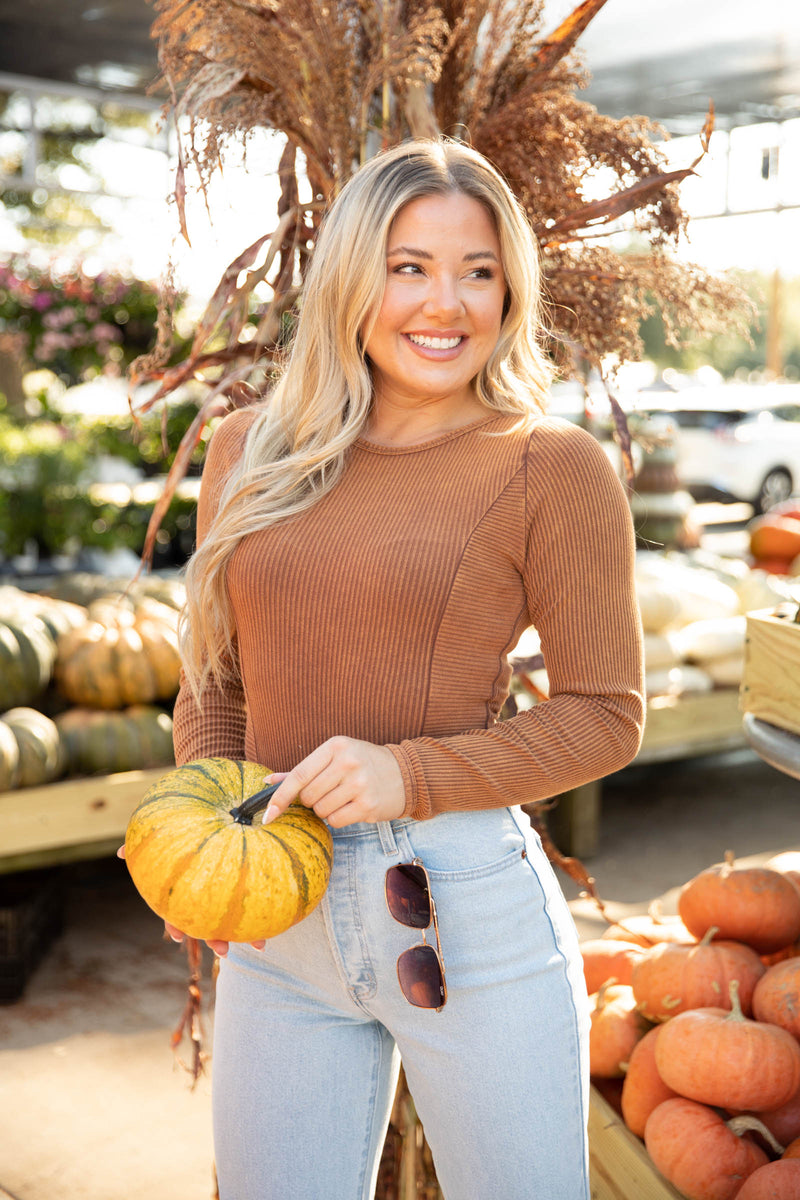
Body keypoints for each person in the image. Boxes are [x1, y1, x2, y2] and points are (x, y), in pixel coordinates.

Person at [169, 137, 644, 1200]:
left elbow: (604, 717)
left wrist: (406, 774)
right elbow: (213, 680)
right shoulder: (251, 451)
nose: (448, 302)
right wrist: (195, 826)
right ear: (352, 277)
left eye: (478, 270)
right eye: (409, 266)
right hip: (272, 913)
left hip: (459, 907)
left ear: (510, 288)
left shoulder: (548, 468)